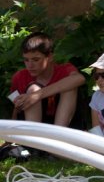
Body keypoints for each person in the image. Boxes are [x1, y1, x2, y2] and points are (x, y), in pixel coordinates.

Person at [2, 32, 86, 160]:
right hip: (35, 127)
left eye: (36, 59)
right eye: (26, 60)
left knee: (69, 86)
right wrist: (10, 137)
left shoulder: (64, 69)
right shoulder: (19, 77)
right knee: (33, 88)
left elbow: (79, 79)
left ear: (50, 56)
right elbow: (16, 109)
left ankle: (56, 140)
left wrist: (38, 95)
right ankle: (34, 145)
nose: (30, 65)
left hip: (63, 126)